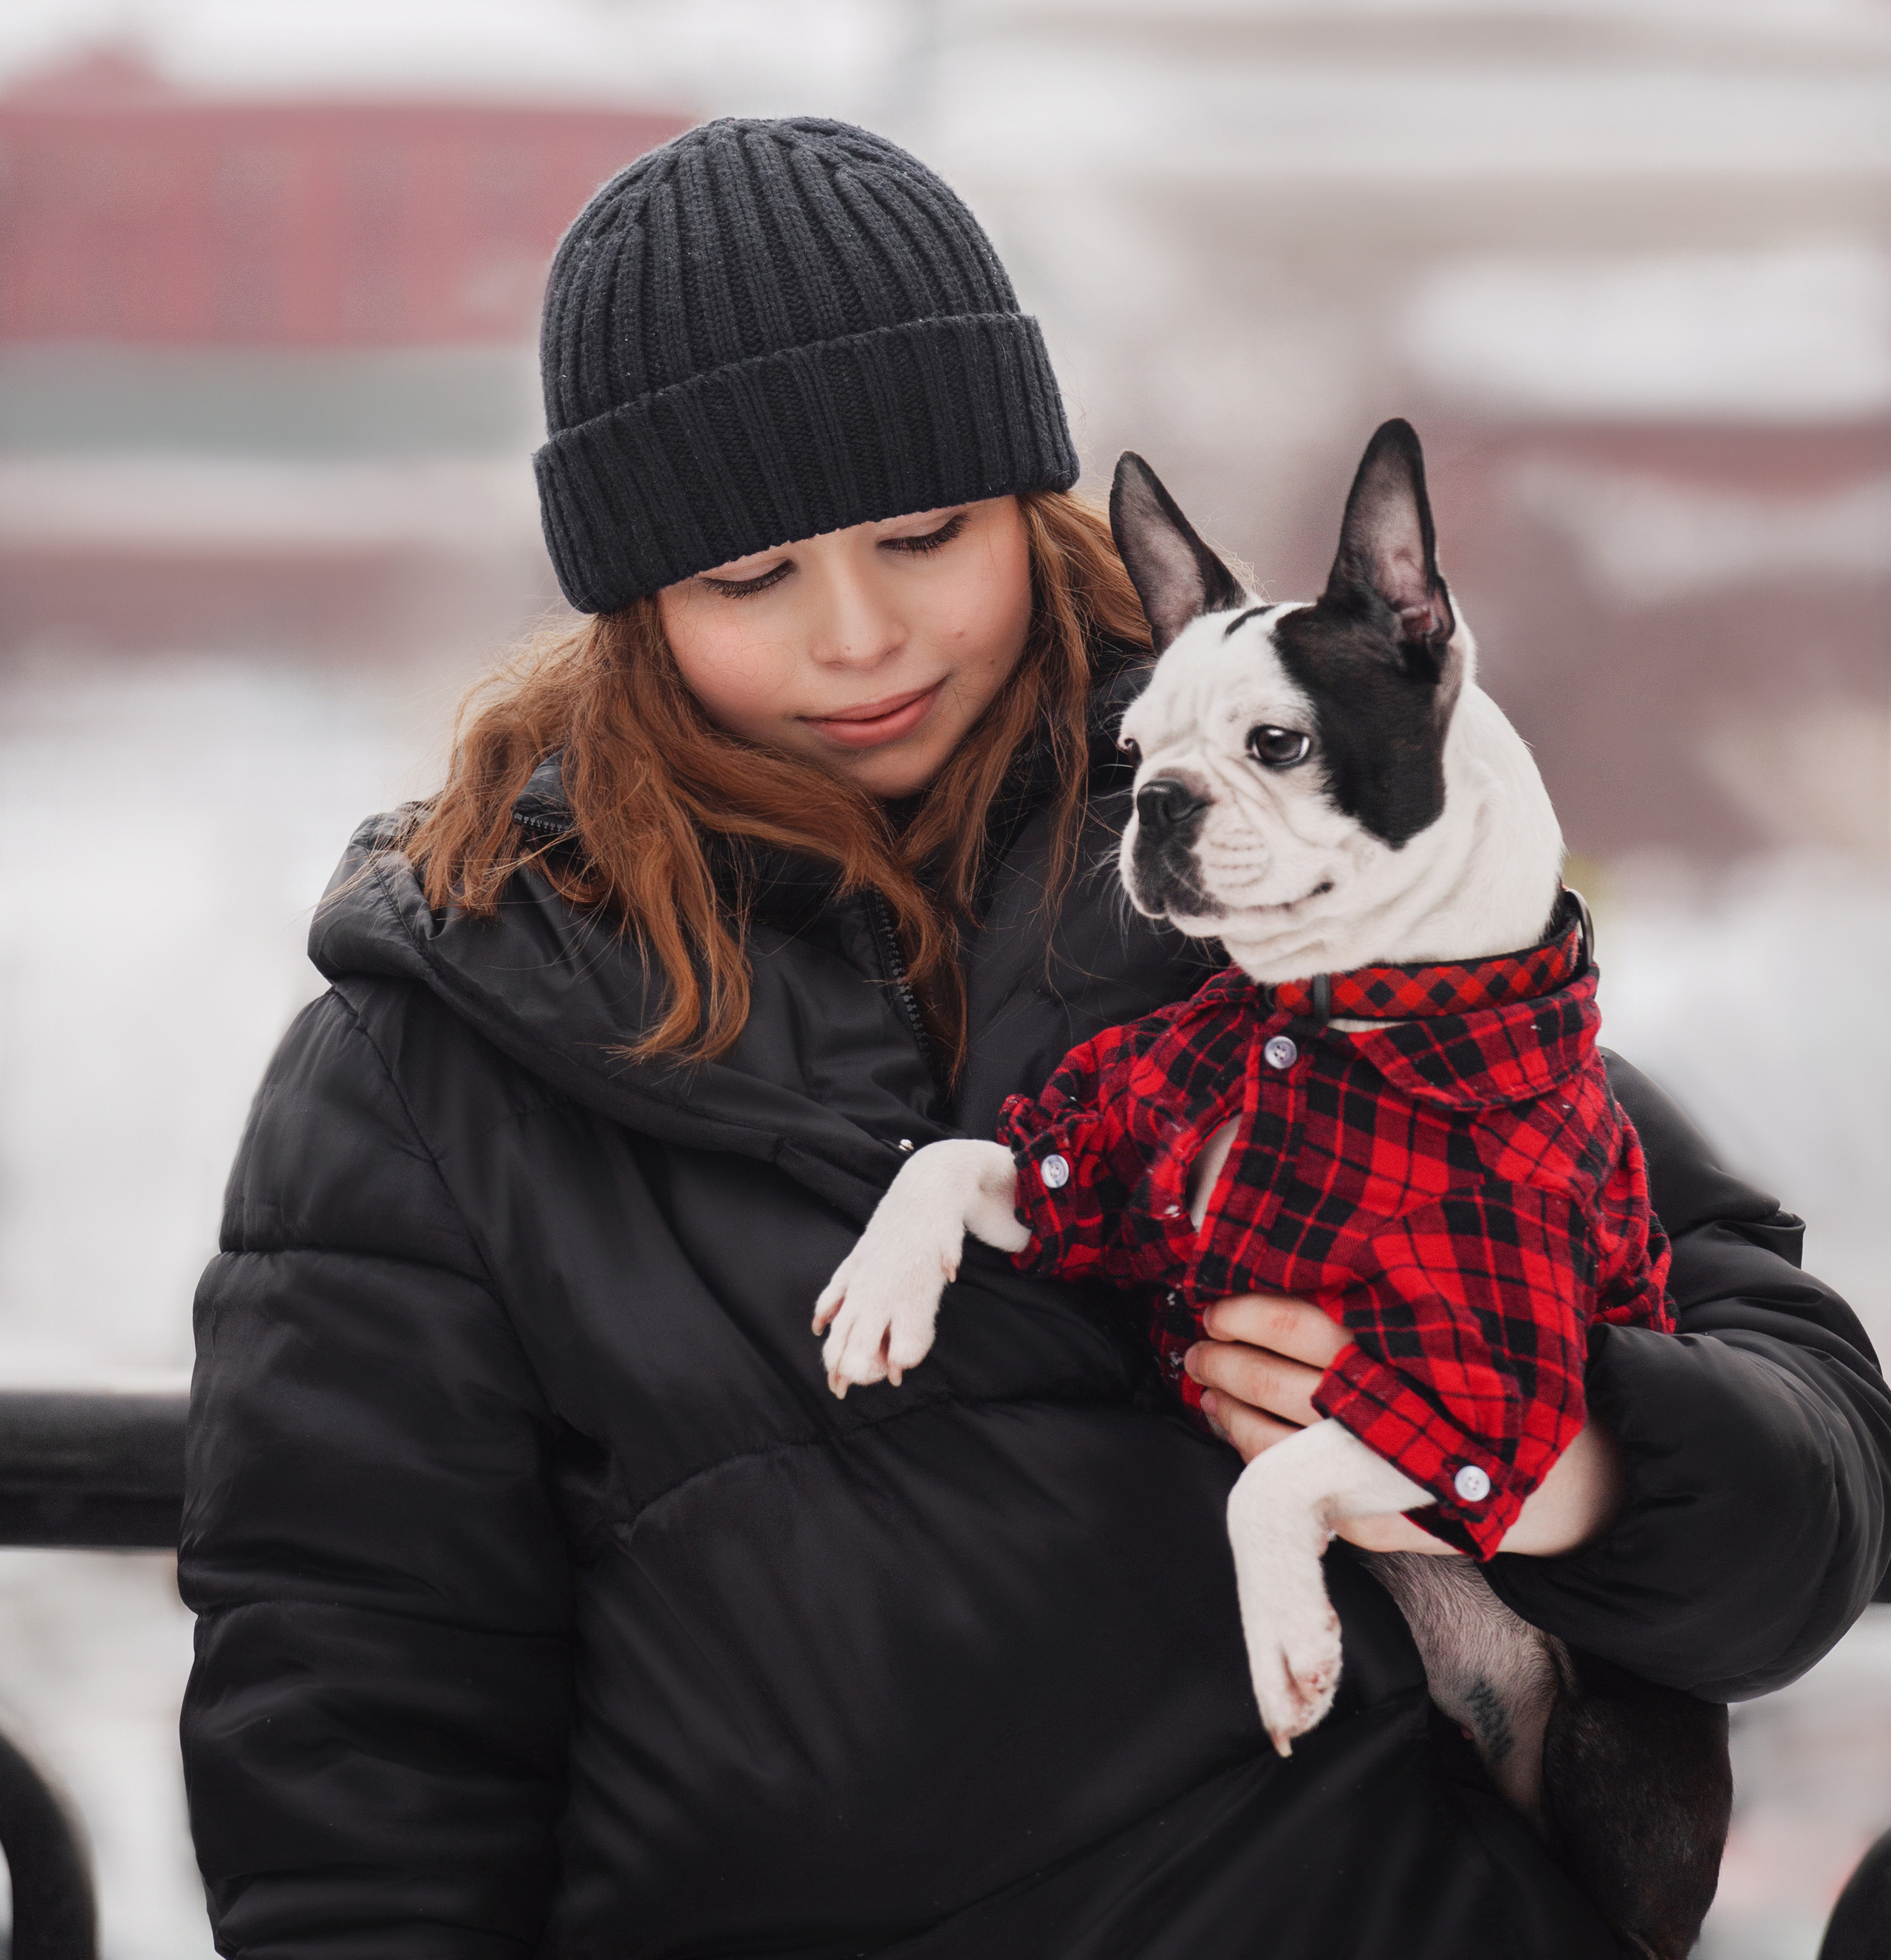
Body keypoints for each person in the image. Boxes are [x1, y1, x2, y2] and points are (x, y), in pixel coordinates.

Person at [179, 116, 1891, 1960]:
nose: (857, 635)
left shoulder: (1290, 859)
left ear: (1028, 506)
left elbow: (1812, 1478)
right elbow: (356, 1767)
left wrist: (1584, 1466)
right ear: (632, 610)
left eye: (922, 534)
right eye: (747, 579)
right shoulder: (432, 1074)